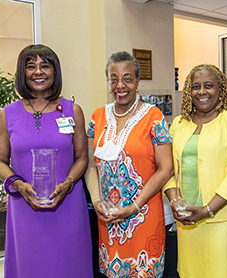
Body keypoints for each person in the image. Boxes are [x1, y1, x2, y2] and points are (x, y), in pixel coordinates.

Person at [0, 44, 92, 277]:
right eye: (31, 66)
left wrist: (68, 183)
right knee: (29, 267)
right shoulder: (7, 114)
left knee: (69, 265)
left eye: (45, 66)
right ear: (22, 73)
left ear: (55, 72)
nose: (38, 72)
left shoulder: (72, 110)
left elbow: (82, 158)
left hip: (67, 204)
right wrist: (17, 183)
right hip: (24, 206)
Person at [85, 51, 173, 278]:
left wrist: (134, 206)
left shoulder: (154, 116)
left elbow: (166, 168)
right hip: (108, 219)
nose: (120, 85)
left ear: (137, 82)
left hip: (143, 216)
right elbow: (89, 166)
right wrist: (96, 201)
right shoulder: (97, 117)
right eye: (113, 79)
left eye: (127, 78)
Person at [163, 64, 227, 278]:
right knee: (190, 272)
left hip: (223, 219)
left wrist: (208, 209)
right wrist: (176, 203)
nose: (201, 91)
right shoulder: (178, 123)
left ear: (220, 89)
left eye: (208, 85)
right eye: (196, 86)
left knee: (223, 272)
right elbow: (167, 169)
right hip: (187, 221)